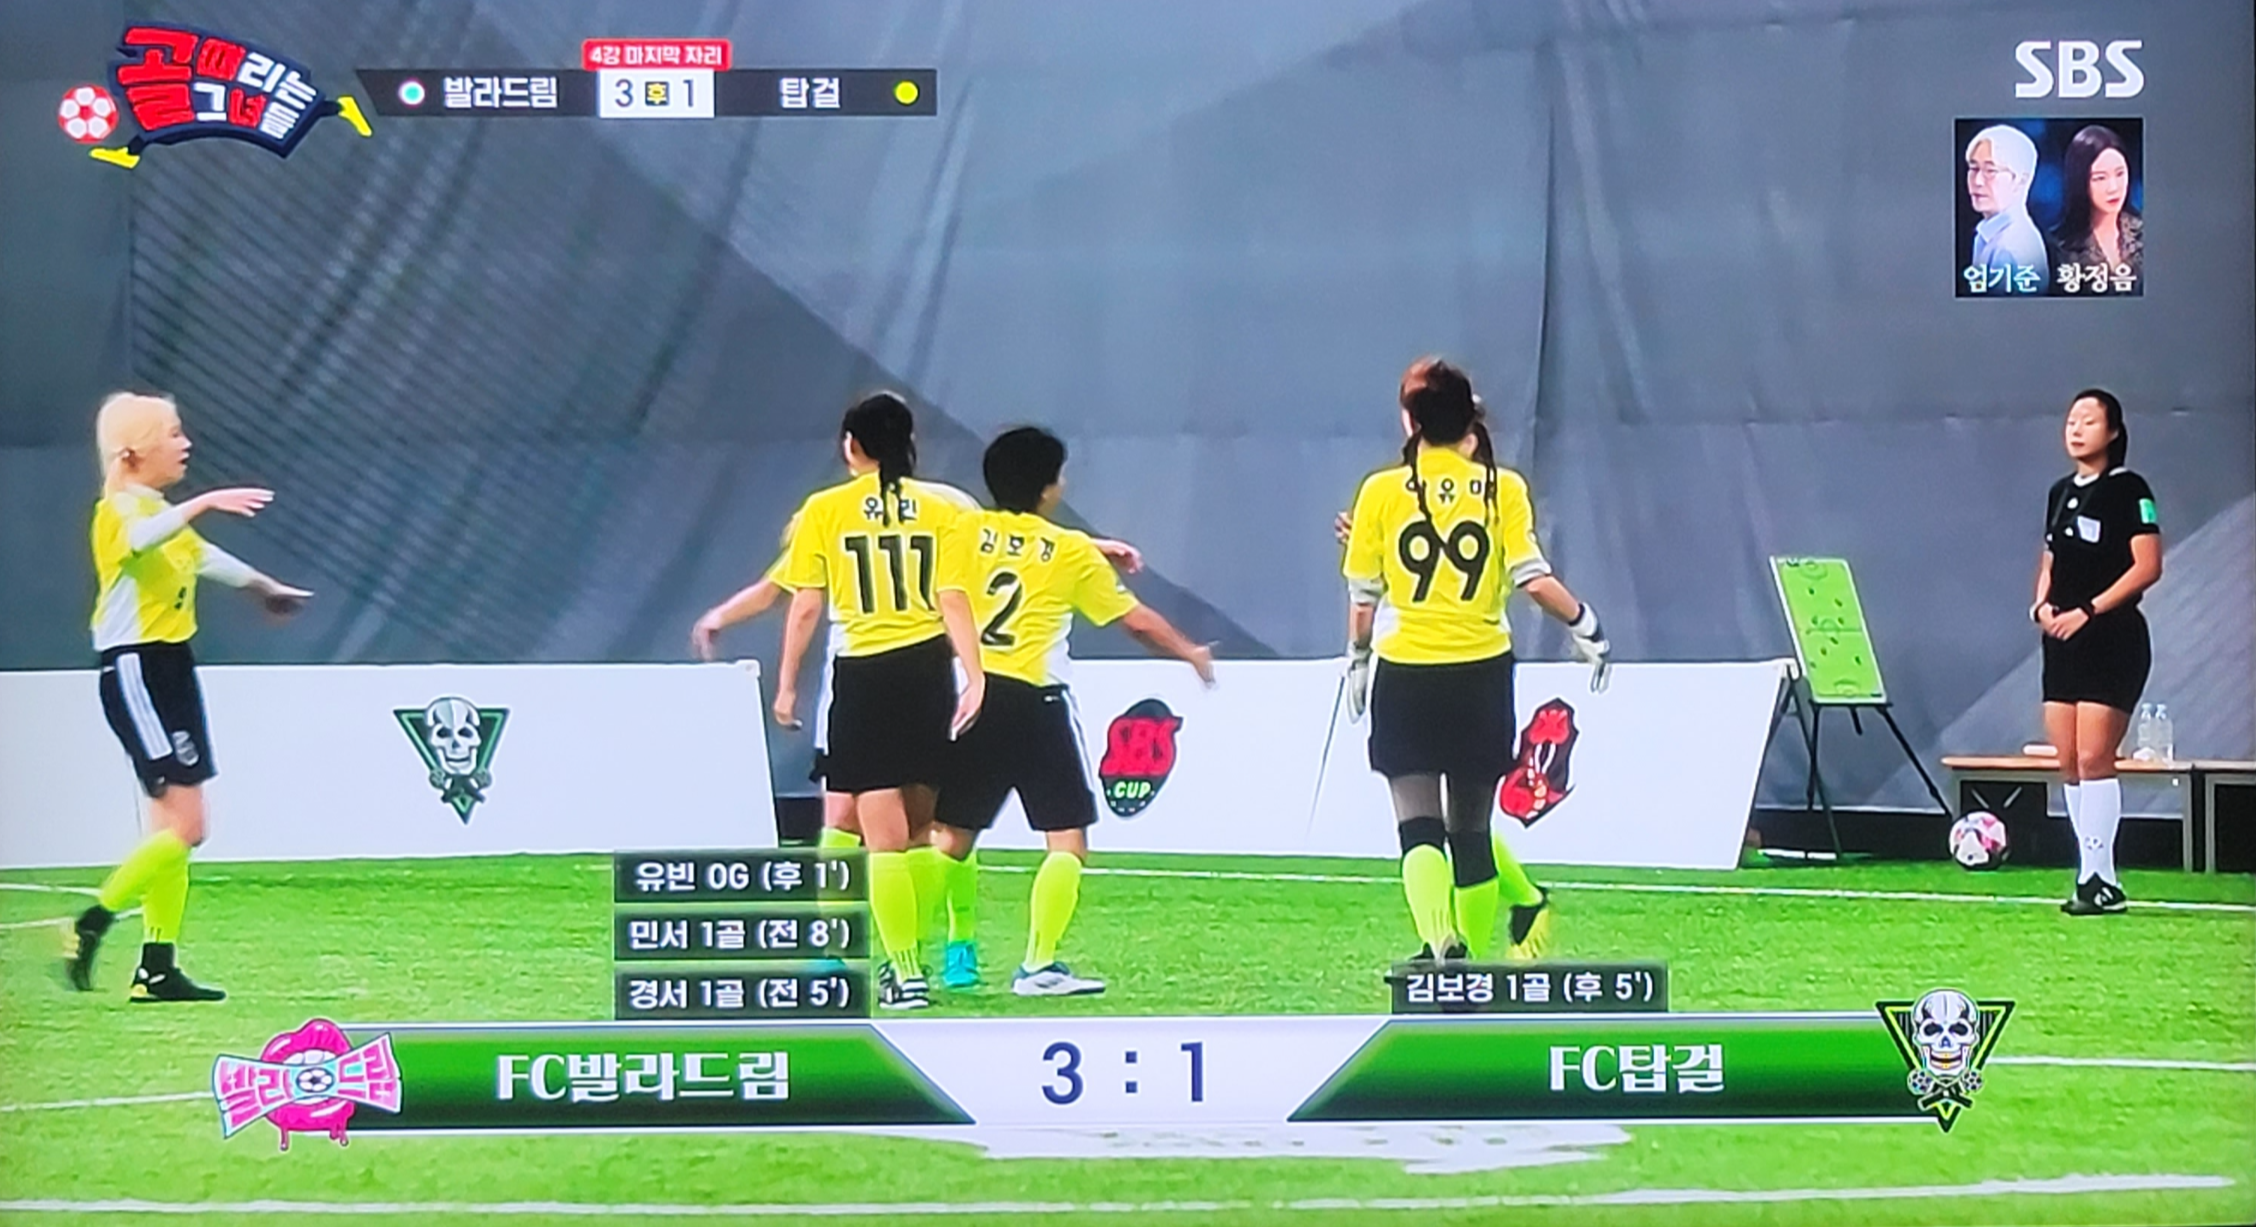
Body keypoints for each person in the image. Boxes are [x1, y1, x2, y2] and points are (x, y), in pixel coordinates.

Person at [928, 427, 1215, 997]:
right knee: (1066, 840)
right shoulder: (1069, 552)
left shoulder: (962, 530)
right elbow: (1134, 621)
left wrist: (1091, 545)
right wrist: (1189, 652)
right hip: (1036, 703)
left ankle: (898, 952)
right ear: (1049, 488)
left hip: (974, 694)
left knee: (951, 838)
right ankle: (1038, 965)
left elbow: (996, 556)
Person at [1342, 361, 1609, 964]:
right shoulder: (1502, 488)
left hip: (1407, 670)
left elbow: (1363, 597)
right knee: (1471, 830)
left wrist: (1358, 659)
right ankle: (1472, 964)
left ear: (1411, 422)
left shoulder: (1380, 491)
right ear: (1471, 420)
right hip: (1481, 671)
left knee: (1417, 826)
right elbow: (1533, 579)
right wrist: (1585, 625)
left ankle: (1440, 939)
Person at [61, 392, 312, 1001]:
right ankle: (91, 921)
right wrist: (205, 502)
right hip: (136, 669)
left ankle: (156, 968)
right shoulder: (118, 512)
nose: (185, 444)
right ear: (134, 452)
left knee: (171, 830)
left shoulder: (159, 511)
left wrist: (264, 587)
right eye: (172, 434)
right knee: (189, 828)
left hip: (171, 668)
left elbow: (200, 556)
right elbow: (145, 539)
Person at [770, 392, 985, 1010]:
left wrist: (786, 683)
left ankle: (904, 972)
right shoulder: (942, 509)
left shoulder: (825, 510)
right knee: (921, 831)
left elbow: (806, 604)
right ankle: (930, 956)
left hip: (863, 676)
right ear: (909, 442)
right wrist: (975, 676)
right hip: (927, 672)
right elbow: (953, 599)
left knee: (877, 833)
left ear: (851, 445)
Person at [2032, 388, 2162, 916]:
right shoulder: (2060, 491)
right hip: (2062, 640)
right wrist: (2042, 605)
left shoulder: (2129, 489)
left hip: (2112, 638)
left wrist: (2089, 610)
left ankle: (2100, 879)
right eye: (2071, 420)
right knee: (2068, 760)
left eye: (2089, 420)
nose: (2076, 429)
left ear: (2112, 432)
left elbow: (2147, 566)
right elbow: (2050, 558)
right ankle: (2088, 874)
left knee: (2094, 757)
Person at [2052, 124, 2141, 289]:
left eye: (2120, 174)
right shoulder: (2058, 247)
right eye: (2100, 178)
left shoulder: (2145, 233)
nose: (2113, 187)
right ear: (2080, 181)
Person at [1963, 124, 2049, 294]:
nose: (1978, 181)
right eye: (1973, 168)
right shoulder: (1989, 234)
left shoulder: (2010, 247)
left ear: (2021, 180)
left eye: (1990, 171)